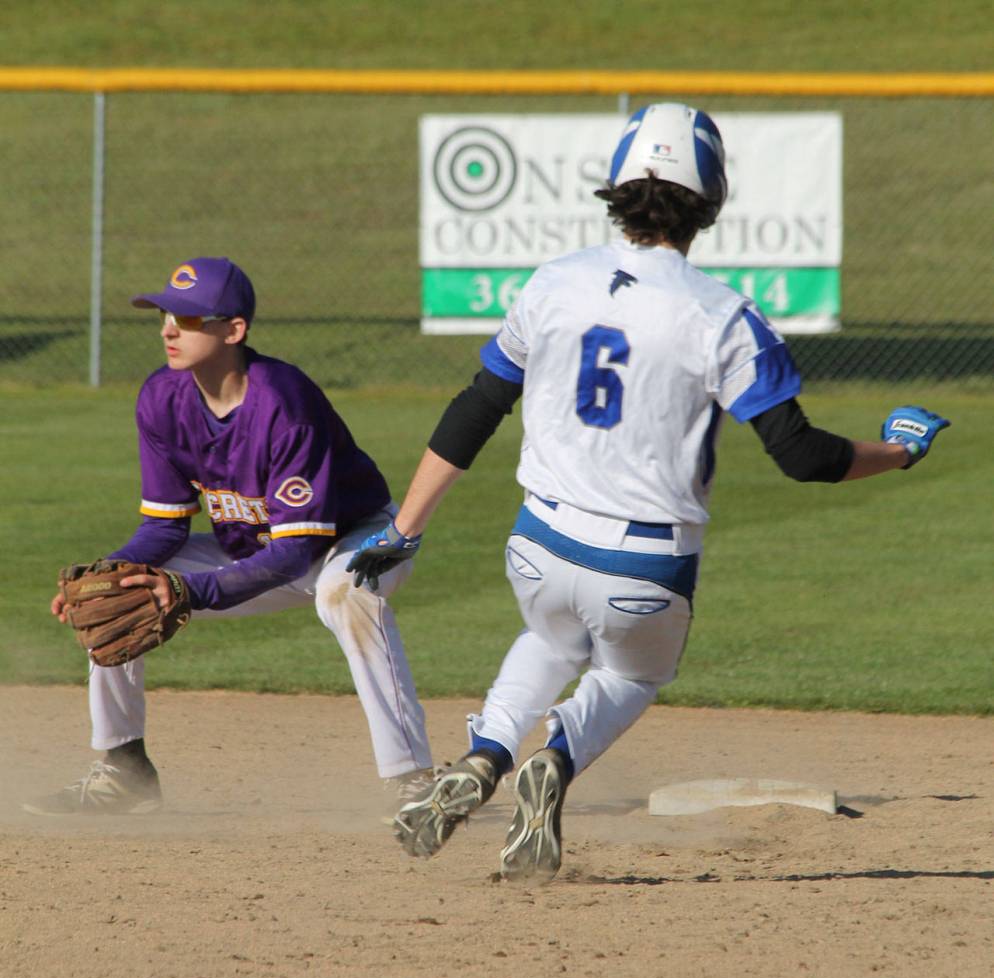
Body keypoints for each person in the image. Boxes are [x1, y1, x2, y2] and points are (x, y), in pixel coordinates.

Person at [346, 102, 951, 883]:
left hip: (537, 544)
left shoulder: (554, 282)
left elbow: (476, 408)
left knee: (550, 636)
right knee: (631, 675)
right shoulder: (724, 316)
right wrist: (898, 451)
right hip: (646, 566)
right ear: (711, 199)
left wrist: (405, 525)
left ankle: (488, 751)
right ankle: (554, 760)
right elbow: (802, 456)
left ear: (617, 185)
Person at [25, 257, 436, 816]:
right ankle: (124, 771)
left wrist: (192, 592)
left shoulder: (285, 404)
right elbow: (164, 525)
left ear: (233, 330)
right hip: (257, 548)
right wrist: (112, 567)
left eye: (189, 319)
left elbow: (297, 550)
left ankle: (413, 779)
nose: (169, 328)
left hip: (350, 538)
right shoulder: (162, 400)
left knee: (348, 593)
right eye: (166, 314)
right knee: (115, 592)